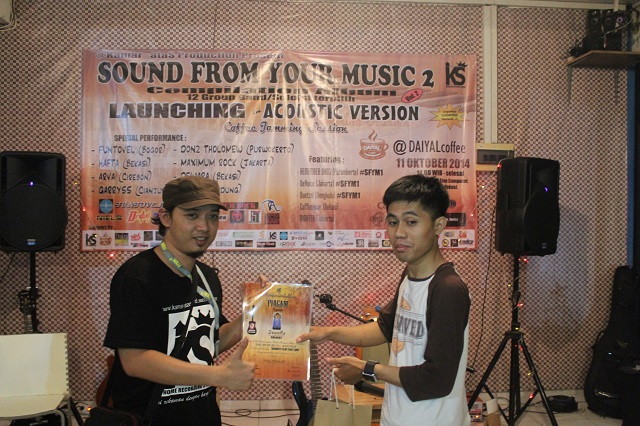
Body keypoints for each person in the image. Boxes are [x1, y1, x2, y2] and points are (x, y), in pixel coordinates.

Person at [297, 174, 471, 426]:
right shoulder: (409, 275)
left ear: (438, 225)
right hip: (397, 416)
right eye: (392, 222)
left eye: (411, 222)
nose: (399, 233)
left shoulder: (447, 289)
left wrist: (366, 368)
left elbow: (437, 380)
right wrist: (328, 332)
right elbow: (385, 328)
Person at [103, 175, 259, 426]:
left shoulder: (206, 276)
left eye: (212, 216)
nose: (204, 227)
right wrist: (218, 375)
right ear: (166, 218)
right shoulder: (137, 275)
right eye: (192, 215)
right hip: (149, 418)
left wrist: (253, 313)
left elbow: (210, 342)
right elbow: (135, 361)